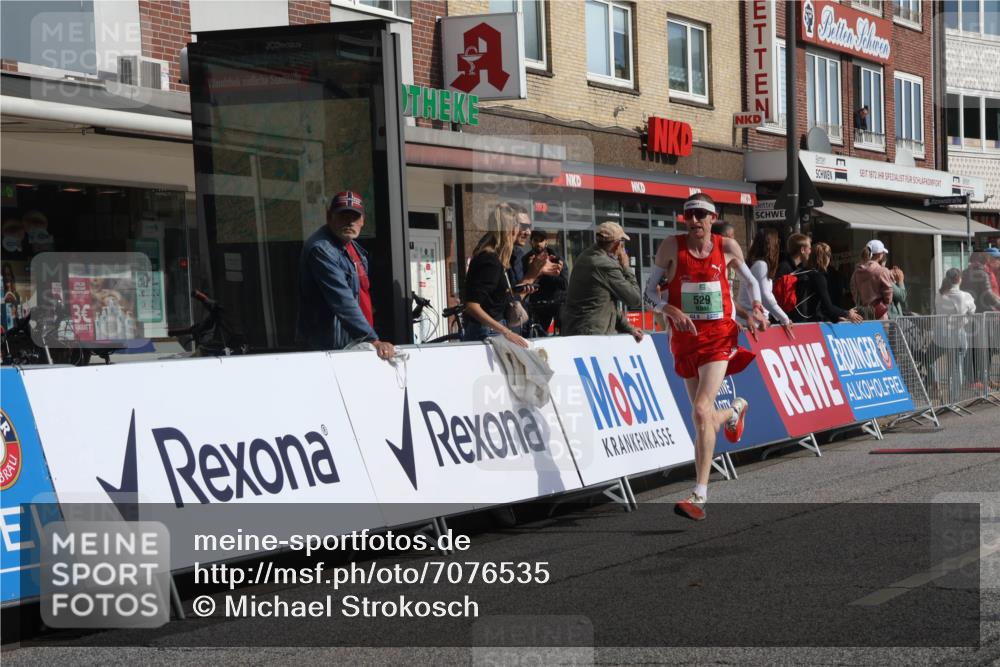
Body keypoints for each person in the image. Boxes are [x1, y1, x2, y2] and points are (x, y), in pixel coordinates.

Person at [644, 193, 770, 522]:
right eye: (690, 215)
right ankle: (735, 409)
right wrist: (667, 307)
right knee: (704, 417)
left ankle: (700, 494)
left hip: (718, 337)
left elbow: (751, 281)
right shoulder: (671, 247)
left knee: (700, 409)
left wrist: (756, 308)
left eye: (702, 215)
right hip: (685, 340)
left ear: (713, 218)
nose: (696, 220)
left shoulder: (727, 248)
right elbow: (647, 292)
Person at [295, 191, 396, 360]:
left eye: (355, 217)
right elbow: (342, 300)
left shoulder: (355, 250)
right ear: (329, 217)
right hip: (328, 350)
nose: (350, 222)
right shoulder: (321, 249)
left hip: (354, 344)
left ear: (363, 220)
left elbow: (361, 295)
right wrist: (373, 339)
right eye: (343, 215)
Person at [462, 203, 551, 348]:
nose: (526, 232)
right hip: (487, 333)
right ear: (510, 229)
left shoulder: (496, 257)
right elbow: (472, 305)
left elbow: (495, 300)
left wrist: (528, 281)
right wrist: (506, 332)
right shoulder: (489, 258)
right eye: (519, 226)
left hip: (492, 330)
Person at [561, 222, 643, 341]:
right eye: (622, 243)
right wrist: (626, 266)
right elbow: (634, 299)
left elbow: (605, 303)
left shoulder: (586, 256)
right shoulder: (605, 265)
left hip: (580, 331)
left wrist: (629, 329)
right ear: (616, 244)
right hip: (591, 336)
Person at [931, 268, 976, 402]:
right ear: (959, 279)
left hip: (941, 332)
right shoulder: (964, 296)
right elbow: (972, 311)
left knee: (929, 358)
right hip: (957, 333)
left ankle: (935, 385)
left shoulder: (939, 294)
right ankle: (954, 399)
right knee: (957, 365)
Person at [739, 228, 795, 334]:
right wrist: (784, 319)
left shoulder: (755, 263)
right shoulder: (761, 265)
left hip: (753, 322)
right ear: (771, 245)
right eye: (777, 242)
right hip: (753, 323)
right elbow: (765, 296)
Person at [521, 230, 568, 333]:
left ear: (546, 242)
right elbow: (522, 283)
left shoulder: (556, 258)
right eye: (535, 240)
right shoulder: (525, 260)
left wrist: (547, 273)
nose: (538, 243)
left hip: (556, 304)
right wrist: (534, 272)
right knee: (537, 335)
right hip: (536, 306)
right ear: (531, 242)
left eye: (541, 240)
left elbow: (564, 284)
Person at [805, 243, 862, 323]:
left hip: (803, 321)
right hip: (815, 323)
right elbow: (828, 306)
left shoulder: (806, 272)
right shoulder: (818, 277)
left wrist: (836, 317)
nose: (830, 258)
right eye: (828, 255)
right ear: (824, 257)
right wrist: (847, 313)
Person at [850, 240, 894, 320]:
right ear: (879, 255)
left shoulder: (857, 271)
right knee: (881, 332)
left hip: (862, 315)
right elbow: (888, 295)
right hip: (879, 314)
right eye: (882, 253)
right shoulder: (882, 271)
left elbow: (853, 290)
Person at [507, 202, 532, 285]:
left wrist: (536, 272)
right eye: (524, 226)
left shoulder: (519, 254)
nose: (528, 232)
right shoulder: (490, 255)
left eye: (529, 227)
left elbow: (520, 291)